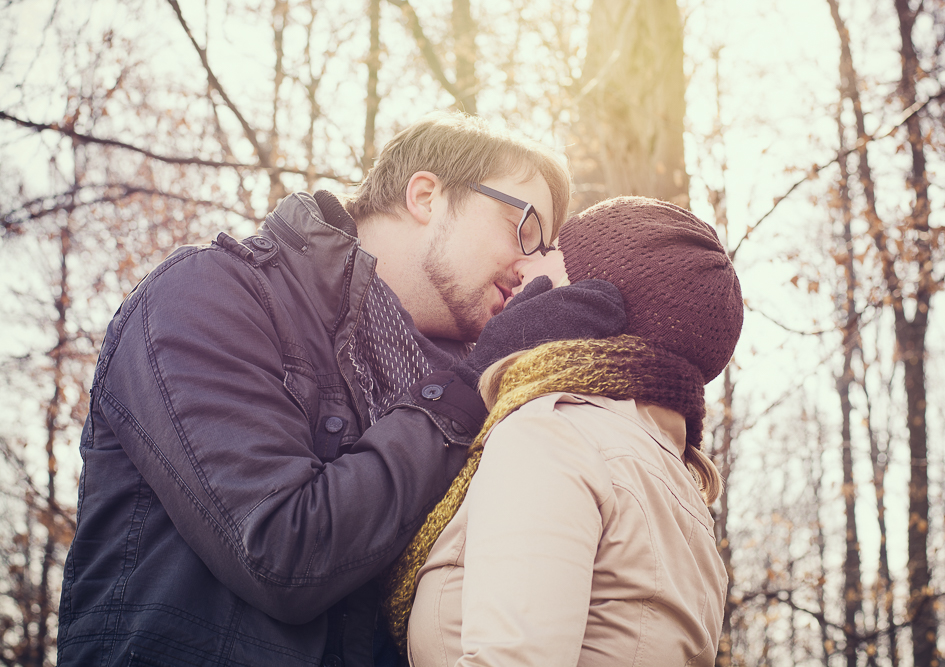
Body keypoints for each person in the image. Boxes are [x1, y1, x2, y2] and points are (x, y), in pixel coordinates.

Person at [56, 112, 627, 667]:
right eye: (524, 227)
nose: (532, 269)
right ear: (426, 195)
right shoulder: (207, 294)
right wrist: (476, 381)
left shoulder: (472, 395)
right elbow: (280, 551)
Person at [383, 196, 744, 666]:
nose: (524, 265)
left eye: (550, 250)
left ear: (591, 294)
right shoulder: (680, 483)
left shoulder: (554, 433)